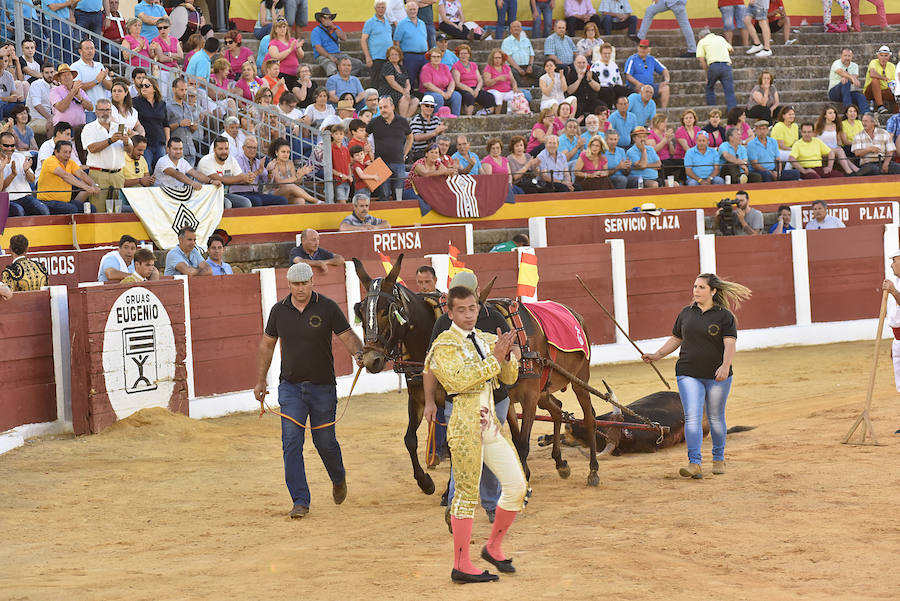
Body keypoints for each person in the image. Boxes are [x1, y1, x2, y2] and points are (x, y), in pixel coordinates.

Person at [424, 282, 525, 583]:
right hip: (464, 426)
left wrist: (507, 358)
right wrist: (495, 358)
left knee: (517, 486)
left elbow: (507, 378)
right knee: (466, 496)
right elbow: (457, 382)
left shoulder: (483, 337)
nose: (468, 315)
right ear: (450, 312)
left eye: (472, 308)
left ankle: (493, 546)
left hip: (490, 423)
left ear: (479, 308)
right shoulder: (443, 345)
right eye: (461, 310)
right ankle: (461, 564)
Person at [254, 260, 363, 519]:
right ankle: (300, 500)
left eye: (304, 283)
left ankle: (338, 477)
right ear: (288, 284)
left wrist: (360, 353)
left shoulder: (327, 307)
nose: (300, 288)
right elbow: (267, 345)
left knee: (325, 442)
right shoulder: (279, 311)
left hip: (323, 386)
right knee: (291, 443)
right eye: (295, 284)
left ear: (312, 282)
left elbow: (347, 335)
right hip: (290, 387)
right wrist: (260, 381)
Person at [642, 273, 749, 478]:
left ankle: (718, 457)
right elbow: (676, 338)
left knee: (715, 417)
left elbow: (730, 344)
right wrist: (657, 355)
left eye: (701, 287)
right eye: (695, 287)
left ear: (713, 291)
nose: (696, 291)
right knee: (692, 417)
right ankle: (694, 463)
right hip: (688, 372)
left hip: (717, 374)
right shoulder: (686, 313)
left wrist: (725, 367)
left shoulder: (724, 316)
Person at [81, 99, 130, 213]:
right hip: (99, 174)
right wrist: (110, 140)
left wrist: (127, 142)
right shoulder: (89, 128)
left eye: (108, 109)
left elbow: (130, 151)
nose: (105, 112)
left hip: (117, 175)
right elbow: (92, 149)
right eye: (102, 110)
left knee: (117, 211)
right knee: (99, 210)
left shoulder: (119, 127)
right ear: (96, 112)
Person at [367, 97, 413, 201]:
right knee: (384, 194)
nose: (383, 109)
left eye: (385, 107)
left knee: (399, 195)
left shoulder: (402, 121)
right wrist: (369, 152)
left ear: (392, 107)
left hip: (398, 163)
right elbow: (363, 135)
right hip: (380, 164)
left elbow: (410, 138)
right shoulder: (374, 122)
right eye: (381, 107)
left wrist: (405, 154)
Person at [36, 140, 99, 213]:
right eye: (65, 152)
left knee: (91, 209)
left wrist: (93, 184)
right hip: (47, 201)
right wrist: (85, 187)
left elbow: (81, 174)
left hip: (65, 201)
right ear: (56, 152)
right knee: (71, 209)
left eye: (69, 152)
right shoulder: (50, 161)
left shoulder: (70, 162)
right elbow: (65, 176)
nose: (68, 155)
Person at [196, 137, 254, 208]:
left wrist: (249, 178)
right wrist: (243, 177)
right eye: (220, 149)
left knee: (246, 203)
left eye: (226, 149)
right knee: (227, 204)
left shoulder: (231, 160)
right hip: (206, 196)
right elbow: (220, 179)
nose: (224, 152)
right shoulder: (206, 161)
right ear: (214, 150)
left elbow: (241, 178)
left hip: (223, 194)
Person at [231, 136, 288, 206]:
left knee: (282, 200)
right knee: (257, 201)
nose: (252, 150)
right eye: (249, 147)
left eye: (254, 148)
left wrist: (270, 172)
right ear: (243, 148)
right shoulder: (237, 160)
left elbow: (267, 183)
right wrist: (259, 171)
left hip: (255, 193)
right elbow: (245, 178)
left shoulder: (258, 162)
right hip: (239, 193)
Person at [311, 7, 364, 78]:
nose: (327, 19)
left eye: (329, 17)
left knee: (357, 63)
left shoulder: (335, 28)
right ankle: (336, 81)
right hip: (324, 56)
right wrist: (330, 57)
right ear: (321, 19)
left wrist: (334, 27)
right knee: (330, 66)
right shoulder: (316, 31)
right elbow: (318, 47)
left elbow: (344, 38)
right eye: (325, 17)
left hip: (338, 54)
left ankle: (344, 79)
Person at [0, 131, 43, 217]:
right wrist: (13, 174)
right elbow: (1, 188)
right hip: (8, 199)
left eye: (12, 145)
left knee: (43, 210)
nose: (9, 148)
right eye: (6, 145)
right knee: (19, 211)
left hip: (25, 197)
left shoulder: (20, 156)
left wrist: (26, 171)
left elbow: (32, 180)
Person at [696, 27, 735, 112]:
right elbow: (731, 49)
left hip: (713, 66)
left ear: (701, 37)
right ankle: (732, 114)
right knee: (730, 92)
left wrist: (707, 73)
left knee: (709, 87)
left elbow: (702, 60)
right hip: (726, 65)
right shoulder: (720, 38)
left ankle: (713, 111)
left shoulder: (702, 42)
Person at [133, 77, 168, 171]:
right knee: (146, 170)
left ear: (154, 88)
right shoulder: (135, 102)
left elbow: (165, 124)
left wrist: (167, 141)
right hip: (144, 144)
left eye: (147, 85)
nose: (143, 87)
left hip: (160, 143)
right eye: (142, 85)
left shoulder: (162, 104)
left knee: (162, 171)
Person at [394, 2, 429, 92]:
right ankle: (410, 98)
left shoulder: (422, 23)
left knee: (424, 79)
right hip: (409, 56)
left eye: (414, 9)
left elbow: (425, 39)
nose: (412, 11)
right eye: (410, 9)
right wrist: (400, 58)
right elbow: (396, 42)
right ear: (406, 11)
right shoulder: (402, 24)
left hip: (424, 56)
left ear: (417, 10)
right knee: (410, 79)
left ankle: (423, 99)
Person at [623, 39, 669, 109]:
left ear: (648, 49)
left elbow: (664, 70)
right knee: (643, 90)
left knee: (665, 88)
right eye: (641, 47)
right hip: (636, 86)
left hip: (650, 86)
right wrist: (638, 83)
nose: (642, 50)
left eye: (645, 48)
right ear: (638, 48)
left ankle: (663, 111)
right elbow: (628, 75)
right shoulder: (632, 59)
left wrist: (666, 80)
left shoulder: (652, 59)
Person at [814, 105, 859, 175]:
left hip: (834, 149)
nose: (833, 115)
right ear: (825, 115)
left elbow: (838, 142)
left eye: (834, 113)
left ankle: (850, 171)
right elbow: (813, 139)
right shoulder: (818, 125)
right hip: (822, 150)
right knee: (838, 151)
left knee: (840, 150)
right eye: (830, 113)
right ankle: (852, 170)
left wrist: (840, 145)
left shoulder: (836, 125)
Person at [852, 112, 900, 176]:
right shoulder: (858, 136)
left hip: (883, 161)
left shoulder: (884, 133)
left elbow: (890, 150)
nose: (863, 123)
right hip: (867, 164)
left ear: (873, 122)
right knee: (875, 170)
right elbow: (857, 153)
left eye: (866, 121)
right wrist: (868, 150)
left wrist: (886, 163)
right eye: (863, 121)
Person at [420, 47, 462, 116]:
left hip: (444, 91)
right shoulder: (426, 68)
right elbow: (427, 84)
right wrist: (442, 93)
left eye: (438, 57)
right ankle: (438, 118)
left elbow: (451, 81)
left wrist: (449, 92)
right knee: (438, 97)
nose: (436, 59)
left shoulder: (444, 67)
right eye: (434, 57)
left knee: (457, 95)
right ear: (430, 58)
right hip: (430, 92)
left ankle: (456, 117)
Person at [362, 1, 393, 88]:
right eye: (379, 7)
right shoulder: (370, 22)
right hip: (376, 58)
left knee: (387, 83)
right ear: (375, 9)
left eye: (383, 7)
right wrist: (368, 57)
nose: (381, 9)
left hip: (388, 58)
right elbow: (363, 40)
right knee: (376, 83)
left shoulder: (387, 22)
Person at [864, 46, 898, 116]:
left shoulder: (891, 66)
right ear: (878, 56)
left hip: (885, 90)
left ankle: (896, 115)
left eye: (886, 55)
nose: (883, 58)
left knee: (897, 93)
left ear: (889, 57)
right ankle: (880, 106)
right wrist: (883, 78)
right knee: (875, 80)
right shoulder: (873, 62)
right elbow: (872, 73)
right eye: (881, 55)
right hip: (871, 90)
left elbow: (894, 81)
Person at [501, 21, 535, 87]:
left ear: (521, 29)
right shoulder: (506, 41)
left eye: (518, 26)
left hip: (527, 66)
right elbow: (508, 57)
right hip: (513, 66)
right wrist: (518, 69)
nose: (516, 28)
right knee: (513, 73)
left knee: (542, 71)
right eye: (514, 27)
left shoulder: (526, 40)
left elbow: (531, 55)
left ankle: (534, 86)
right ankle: (521, 90)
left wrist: (530, 66)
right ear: (510, 30)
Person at [26, 65, 55, 139]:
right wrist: (49, 118)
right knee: (52, 123)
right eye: (47, 73)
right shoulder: (36, 84)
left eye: (51, 72)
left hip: (48, 118)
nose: (50, 75)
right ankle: (49, 147)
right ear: (42, 74)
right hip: (34, 119)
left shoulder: (54, 86)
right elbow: (36, 104)